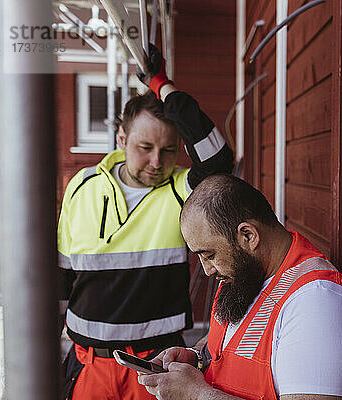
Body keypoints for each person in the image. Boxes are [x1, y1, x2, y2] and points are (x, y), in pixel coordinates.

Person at [57, 45, 233, 399]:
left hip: (156, 367)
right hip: (88, 363)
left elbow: (217, 159)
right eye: (145, 146)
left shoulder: (181, 189)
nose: (157, 161)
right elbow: (62, 275)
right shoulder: (82, 184)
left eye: (169, 149)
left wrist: (161, 84)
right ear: (122, 140)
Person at [138, 174, 342, 400]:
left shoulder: (317, 303)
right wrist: (196, 357)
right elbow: (224, 344)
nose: (207, 270)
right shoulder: (244, 273)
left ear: (248, 235)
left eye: (209, 255)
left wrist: (196, 395)